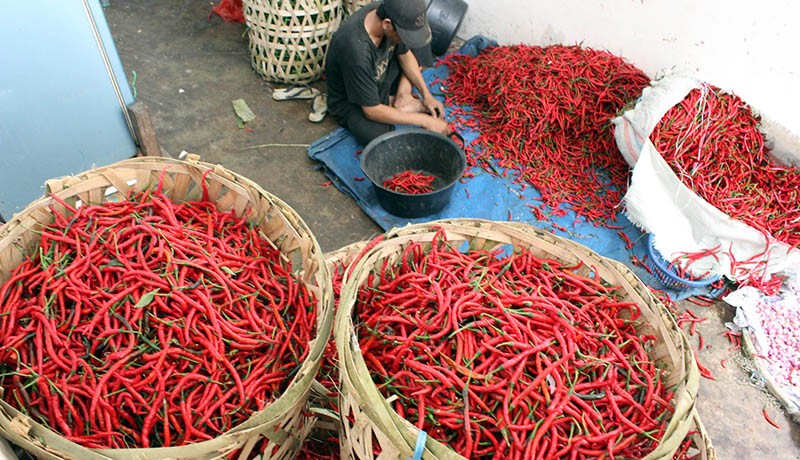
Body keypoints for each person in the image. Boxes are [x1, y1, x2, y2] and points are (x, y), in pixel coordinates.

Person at [325, 0, 449, 146]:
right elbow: (371, 111)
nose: (404, 40)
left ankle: (403, 97)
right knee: (377, 136)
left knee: (420, 43)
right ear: (387, 24)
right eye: (402, 36)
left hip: (381, 72)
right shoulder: (356, 50)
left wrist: (427, 95)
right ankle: (390, 101)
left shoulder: (388, 12)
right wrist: (424, 121)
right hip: (353, 99)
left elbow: (405, 53)